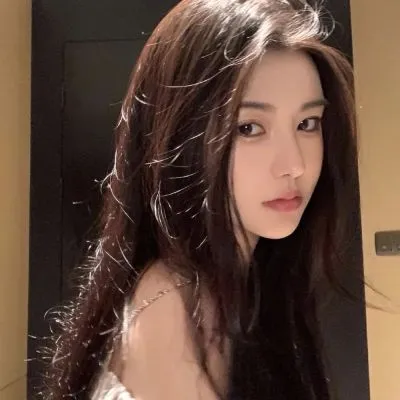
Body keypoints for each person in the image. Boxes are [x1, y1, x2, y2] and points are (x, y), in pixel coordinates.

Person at [40, 0, 359, 399]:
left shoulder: (245, 287)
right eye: (249, 128)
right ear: (180, 136)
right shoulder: (174, 306)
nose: (294, 164)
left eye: (307, 123)